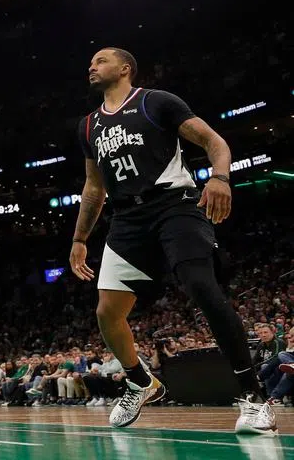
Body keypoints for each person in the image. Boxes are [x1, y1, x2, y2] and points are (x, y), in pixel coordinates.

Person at [68, 48, 276, 434]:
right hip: (126, 218)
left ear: (125, 68)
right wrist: (80, 238)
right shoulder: (87, 126)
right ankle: (141, 382)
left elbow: (214, 141)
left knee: (200, 286)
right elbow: (94, 186)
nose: (91, 66)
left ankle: (254, 396)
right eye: (91, 62)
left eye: (100, 61)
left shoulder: (155, 101)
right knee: (106, 313)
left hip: (172, 205)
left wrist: (220, 177)